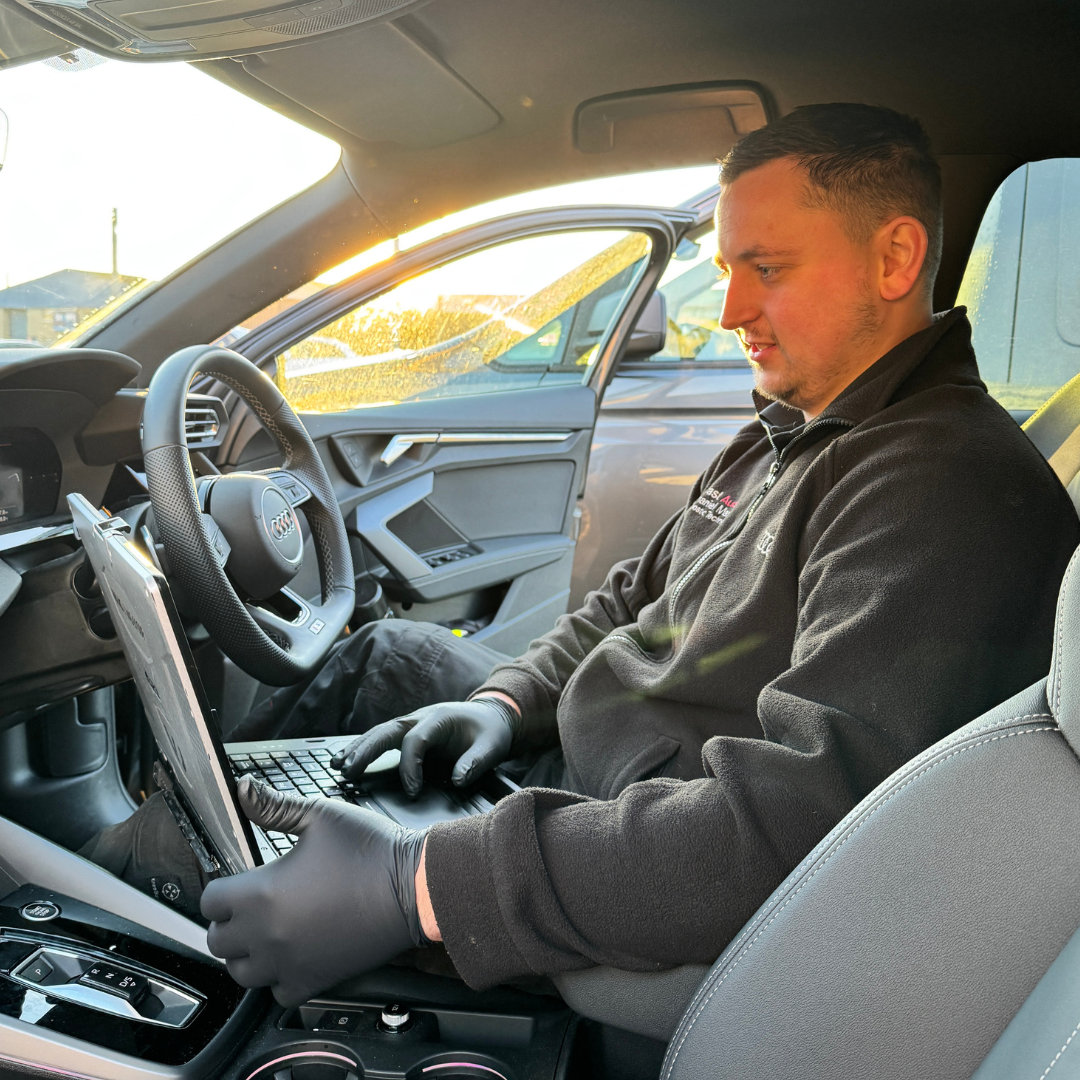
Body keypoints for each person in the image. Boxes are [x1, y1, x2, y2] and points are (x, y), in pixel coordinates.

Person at [151, 104, 1080, 1006]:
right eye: (729, 270)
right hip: (581, 769)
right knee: (390, 658)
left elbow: (795, 824)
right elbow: (633, 601)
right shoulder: (789, 430)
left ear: (896, 258)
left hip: (636, 857)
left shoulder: (943, 489)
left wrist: (417, 884)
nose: (732, 310)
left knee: (188, 868)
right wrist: (505, 703)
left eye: (767, 268)